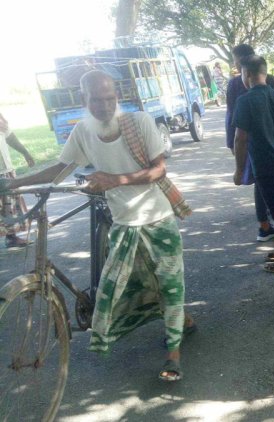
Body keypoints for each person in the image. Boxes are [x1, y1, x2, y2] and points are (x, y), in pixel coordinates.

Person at [1, 70, 195, 382]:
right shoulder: (82, 132)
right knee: (112, 292)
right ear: (83, 99)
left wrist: (115, 180)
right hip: (123, 225)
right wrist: (14, 185)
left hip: (159, 221)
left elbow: (159, 169)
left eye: (110, 99)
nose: (105, 106)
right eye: (97, 100)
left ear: (116, 97)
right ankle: (181, 321)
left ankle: (173, 353)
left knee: (171, 286)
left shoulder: (139, 122)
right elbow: (61, 169)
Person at [233, 55, 274, 272]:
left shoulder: (244, 101)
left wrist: (240, 169)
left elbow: (240, 139)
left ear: (248, 75)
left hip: (265, 166)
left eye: (242, 73)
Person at [225, 44, 274, 242]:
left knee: (261, 181)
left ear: (242, 63)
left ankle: (266, 226)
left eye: (235, 60)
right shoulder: (271, 79)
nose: (233, 64)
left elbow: (231, 116)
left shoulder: (234, 84)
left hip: (251, 141)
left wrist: (232, 144)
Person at [0, 113, 35, 248]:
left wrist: (25, 152)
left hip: (5, 171)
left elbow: (10, 137)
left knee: (9, 206)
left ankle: (11, 237)